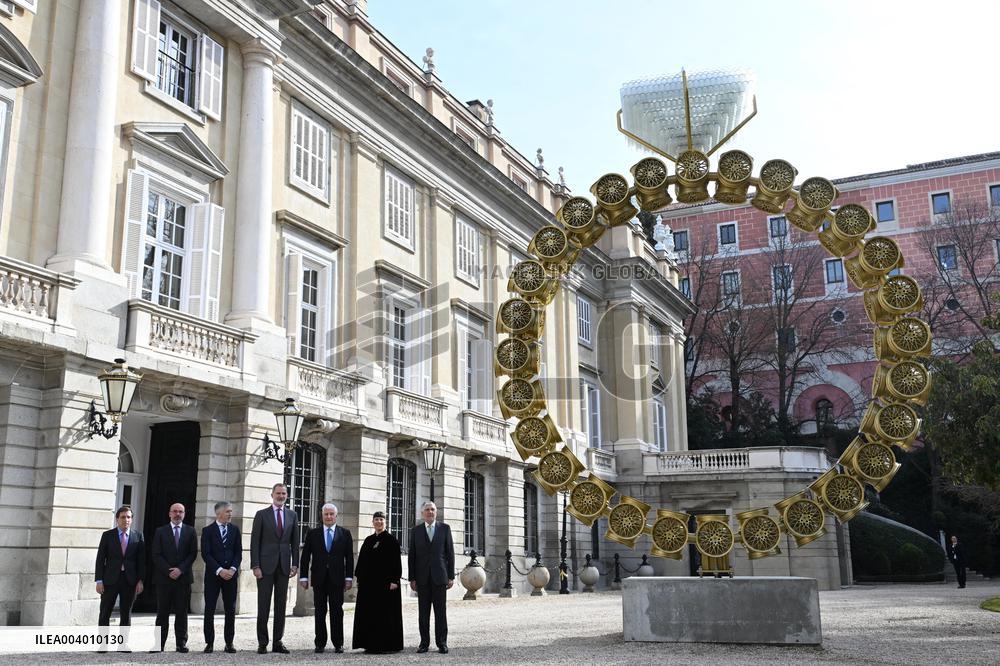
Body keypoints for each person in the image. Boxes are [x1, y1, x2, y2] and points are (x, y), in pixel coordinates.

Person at [250, 483, 299, 654]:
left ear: (287, 495)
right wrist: (255, 565)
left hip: (284, 566)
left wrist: (295, 564)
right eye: (278, 493)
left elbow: (294, 542)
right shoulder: (261, 515)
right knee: (263, 605)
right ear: (272, 495)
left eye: (284, 493)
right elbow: (254, 542)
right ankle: (262, 642)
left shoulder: (292, 515)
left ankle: (278, 641)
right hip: (264, 567)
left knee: (281, 606)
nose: (281, 496)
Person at [299, 503, 354, 654]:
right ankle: (320, 643)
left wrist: (349, 578)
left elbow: (349, 558)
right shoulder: (313, 533)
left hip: (337, 579)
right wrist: (303, 577)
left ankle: (338, 643)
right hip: (319, 578)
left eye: (331, 514)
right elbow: (305, 557)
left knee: (337, 611)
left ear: (336, 516)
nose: (329, 517)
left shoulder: (345, 533)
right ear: (322, 516)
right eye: (326, 514)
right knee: (320, 612)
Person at [352, 511, 403, 654]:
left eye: (381, 519)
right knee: (370, 614)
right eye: (376, 519)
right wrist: (359, 579)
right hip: (369, 586)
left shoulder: (392, 541)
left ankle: (387, 645)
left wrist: (394, 580)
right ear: (372, 522)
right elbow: (361, 562)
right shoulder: (368, 540)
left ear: (385, 522)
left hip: (386, 585)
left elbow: (396, 563)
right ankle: (370, 644)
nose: (379, 522)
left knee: (385, 615)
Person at [408, 501, 455, 654]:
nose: (430, 512)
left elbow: (450, 553)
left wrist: (451, 576)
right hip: (421, 578)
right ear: (422, 513)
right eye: (427, 510)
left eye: (432, 509)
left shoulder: (445, 529)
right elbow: (412, 556)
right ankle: (424, 643)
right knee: (423, 613)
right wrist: (412, 578)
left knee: (440, 612)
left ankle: (442, 643)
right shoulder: (416, 531)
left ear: (436, 512)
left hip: (440, 577)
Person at [151, 503, 198, 652]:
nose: (178, 514)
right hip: (164, 579)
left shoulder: (190, 531)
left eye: (181, 512)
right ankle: (159, 644)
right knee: (162, 613)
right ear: (169, 514)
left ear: (184, 514)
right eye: (175, 511)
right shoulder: (160, 531)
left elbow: (193, 554)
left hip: (183, 579)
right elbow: (156, 554)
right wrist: (168, 570)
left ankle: (181, 643)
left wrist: (180, 569)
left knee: (182, 612)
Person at [201, 501, 241, 653]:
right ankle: (209, 642)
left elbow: (238, 552)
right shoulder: (207, 531)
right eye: (228, 511)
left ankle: (229, 643)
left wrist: (231, 569)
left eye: (231, 511)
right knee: (209, 609)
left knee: (230, 609)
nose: (230, 514)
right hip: (213, 576)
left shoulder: (235, 530)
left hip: (231, 576)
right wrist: (219, 570)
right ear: (218, 513)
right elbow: (206, 554)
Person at [95, 505, 145, 627]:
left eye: (128, 517)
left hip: (130, 580)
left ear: (132, 519)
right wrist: (99, 580)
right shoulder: (107, 535)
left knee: (126, 614)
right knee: (105, 613)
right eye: (123, 517)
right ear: (117, 519)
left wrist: (140, 580)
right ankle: (103, 645)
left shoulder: (138, 536)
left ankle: (123, 645)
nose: (126, 520)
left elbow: (141, 561)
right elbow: (100, 559)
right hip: (110, 580)